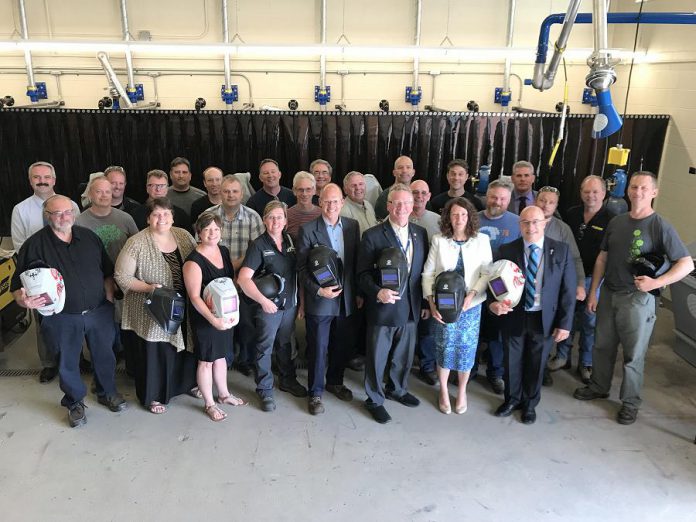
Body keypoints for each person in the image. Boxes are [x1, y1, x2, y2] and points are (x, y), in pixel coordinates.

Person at [574, 171, 693, 425]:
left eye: (642, 188)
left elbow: (685, 264)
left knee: (633, 355)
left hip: (637, 300)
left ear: (653, 192)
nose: (636, 192)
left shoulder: (660, 225)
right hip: (609, 293)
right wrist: (594, 290)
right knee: (602, 346)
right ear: (627, 190)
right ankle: (598, 386)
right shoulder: (617, 222)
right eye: (633, 187)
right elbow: (602, 258)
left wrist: (657, 282)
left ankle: (630, 402)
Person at [11, 195, 126, 427]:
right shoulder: (34, 245)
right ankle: (74, 402)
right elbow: (17, 287)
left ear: (74, 214)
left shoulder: (89, 238)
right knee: (67, 361)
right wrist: (24, 302)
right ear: (48, 216)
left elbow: (106, 271)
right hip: (61, 317)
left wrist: (109, 299)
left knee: (105, 355)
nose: (64, 217)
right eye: (57, 213)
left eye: (67, 212)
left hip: (98, 311)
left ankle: (106, 392)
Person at [490, 206, 576, 425]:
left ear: (545, 223)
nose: (531, 227)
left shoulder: (561, 250)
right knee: (512, 361)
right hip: (515, 315)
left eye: (536, 222)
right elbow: (495, 283)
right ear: (520, 225)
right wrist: (494, 304)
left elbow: (568, 290)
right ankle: (512, 400)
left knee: (536, 364)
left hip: (544, 318)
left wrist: (565, 324)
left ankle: (529, 404)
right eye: (526, 223)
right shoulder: (506, 250)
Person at [115, 197, 198, 414]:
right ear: (148, 218)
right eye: (156, 214)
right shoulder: (137, 242)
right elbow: (122, 276)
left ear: (172, 216)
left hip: (183, 304)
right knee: (157, 351)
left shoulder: (184, 235)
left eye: (166, 214)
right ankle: (153, 396)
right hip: (152, 306)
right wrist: (150, 288)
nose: (162, 218)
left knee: (185, 345)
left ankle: (185, 384)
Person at [357, 184, 429, 424]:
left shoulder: (420, 233)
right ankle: (374, 399)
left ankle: (397, 389)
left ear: (413, 206)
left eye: (406, 203)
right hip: (383, 308)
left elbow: (421, 274)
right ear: (388, 205)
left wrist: (426, 303)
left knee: (404, 355)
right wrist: (378, 293)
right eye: (396, 203)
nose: (401, 208)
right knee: (377, 357)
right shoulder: (373, 235)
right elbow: (362, 275)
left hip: (411, 306)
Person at [10, 161, 80, 383]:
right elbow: (20, 244)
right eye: (37, 177)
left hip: (68, 269)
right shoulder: (20, 210)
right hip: (37, 274)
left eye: (46, 177)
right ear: (30, 180)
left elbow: (77, 236)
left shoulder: (71, 205)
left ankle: (77, 358)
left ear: (54, 180)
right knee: (44, 320)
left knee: (72, 316)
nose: (42, 181)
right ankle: (50, 363)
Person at [422, 198, 492, 414]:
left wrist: (471, 295)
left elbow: (487, 273)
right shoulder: (439, 240)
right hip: (444, 306)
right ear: (448, 217)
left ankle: (461, 391)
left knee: (466, 350)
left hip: (471, 306)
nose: (459, 219)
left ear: (470, 216)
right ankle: (443, 390)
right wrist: (431, 302)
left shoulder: (482, 240)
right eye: (454, 214)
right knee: (444, 348)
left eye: (463, 214)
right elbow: (428, 274)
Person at [237, 201, 307, 412]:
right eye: (271, 217)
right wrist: (263, 301)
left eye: (279, 217)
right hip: (269, 308)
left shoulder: (291, 242)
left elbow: (299, 274)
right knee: (264, 348)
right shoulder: (258, 245)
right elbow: (243, 279)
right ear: (265, 220)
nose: (275, 221)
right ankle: (265, 390)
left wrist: (301, 302)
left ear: (286, 221)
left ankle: (287, 379)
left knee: (286, 344)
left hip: (290, 306)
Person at [298, 184, 360, 415]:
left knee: (342, 345)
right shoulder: (307, 230)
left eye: (335, 201)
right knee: (318, 347)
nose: (331, 206)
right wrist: (318, 291)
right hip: (321, 299)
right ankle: (315, 393)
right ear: (319, 202)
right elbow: (302, 269)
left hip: (346, 299)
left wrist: (358, 294)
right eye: (327, 201)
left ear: (342, 202)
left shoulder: (352, 227)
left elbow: (355, 264)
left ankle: (335, 381)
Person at [548, 176, 615, 381]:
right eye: (587, 191)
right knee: (567, 317)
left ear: (604, 194)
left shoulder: (611, 219)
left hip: (593, 279)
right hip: (568, 277)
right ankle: (562, 356)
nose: (591, 196)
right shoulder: (572, 214)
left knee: (589, 320)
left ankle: (586, 362)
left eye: (595, 192)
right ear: (581, 193)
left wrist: (593, 288)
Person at [183, 212, 247, 422]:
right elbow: (194, 297)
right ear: (199, 232)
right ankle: (209, 403)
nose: (212, 233)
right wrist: (213, 320)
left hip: (225, 315)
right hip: (206, 318)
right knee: (206, 361)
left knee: (221, 356)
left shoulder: (223, 251)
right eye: (207, 229)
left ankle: (224, 394)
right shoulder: (193, 261)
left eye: (216, 229)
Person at [75, 175, 139, 363]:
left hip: (123, 280)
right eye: (99, 191)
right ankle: (104, 359)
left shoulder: (126, 218)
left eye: (108, 191)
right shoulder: (79, 221)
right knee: (101, 324)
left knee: (123, 320)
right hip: (94, 282)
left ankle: (123, 353)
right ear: (90, 195)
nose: (104, 195)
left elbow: (138, 246)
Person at [207, 174, 265, 373]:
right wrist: (224, 273)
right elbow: (202, 247)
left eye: (235, 191)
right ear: (220, 193)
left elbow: (256, 250)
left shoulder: (253, 217)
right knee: (220, 323)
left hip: (244, 278)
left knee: (247, 323)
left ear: (242, 194)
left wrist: (236, 272)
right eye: (226, 191)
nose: (230, 195)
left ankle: (246, 360)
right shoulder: (208, 216)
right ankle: (225, 360)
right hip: (215, 279)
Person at [534, 185, 587, 387]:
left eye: (551, 202)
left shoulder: (562, 229)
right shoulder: (523, 220)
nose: (546, 205)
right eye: (542, 200)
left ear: (556, 206)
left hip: (551, 291)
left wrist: (580, 283)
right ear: (535, 200)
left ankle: (542, 368)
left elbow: (574, 258)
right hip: (527, 288)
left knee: (546, 333)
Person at [475, 179, 521, 394]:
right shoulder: (473, 219)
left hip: (501, 290)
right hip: (474, 284)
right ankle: (470, 368)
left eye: (503, 198)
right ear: (487, 196)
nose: (497, 202)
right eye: (493, 197)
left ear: (509, 200)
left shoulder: (517, 223)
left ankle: (495, 373)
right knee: (474, 329)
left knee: (497, 335)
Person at [409, 179, 440, 386]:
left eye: (423, 193)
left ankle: (427, 367)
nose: (419, 197)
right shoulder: (398, 216)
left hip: (429, 287)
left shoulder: (438, 221)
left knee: (428, 331)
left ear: (429, 196)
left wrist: (428, 300)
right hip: (405, 287)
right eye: (415, 193)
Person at [374, 156, 417, 220]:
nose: (404, 171)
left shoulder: (420, 196)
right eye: (400, 167)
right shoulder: (384, 197)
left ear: (413, 172)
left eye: (408, 167)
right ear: (394, 173)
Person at [286, 171, 321, 242]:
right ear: (294, 191)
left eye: (308, 189)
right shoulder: (286, 216)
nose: (304, 194)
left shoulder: (322, 214)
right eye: (300, 190)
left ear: (314, 190)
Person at [340, 171, 378, 236]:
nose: (358, 188)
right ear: (345, 190)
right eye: (353, 185)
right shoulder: (343, 211)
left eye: (361, 184)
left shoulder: (368, 205)